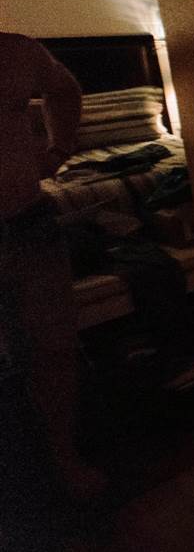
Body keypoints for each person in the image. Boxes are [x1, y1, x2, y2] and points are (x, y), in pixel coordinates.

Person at [0, 32, 105, 500]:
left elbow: (64, 90)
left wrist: (59, 150)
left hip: (26, 223)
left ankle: (62, 456)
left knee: (54, 349)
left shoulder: (15, 51)